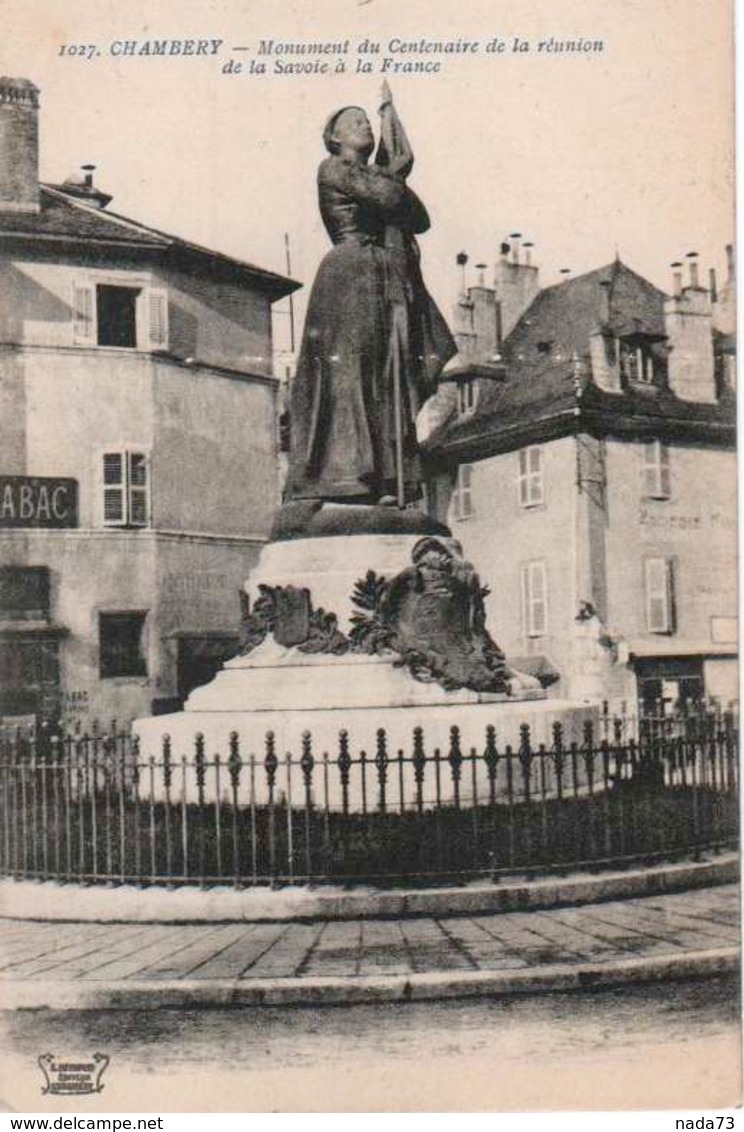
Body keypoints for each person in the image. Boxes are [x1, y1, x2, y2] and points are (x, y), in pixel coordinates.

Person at [286, 84, 456, 506]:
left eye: (367, 120)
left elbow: (419, 218)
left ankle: (389, 474)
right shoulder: (333, 168)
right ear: (336, 138)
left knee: (387, 373)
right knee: (353, 374)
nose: (366, 126)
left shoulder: (370, 173)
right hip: (349, 275)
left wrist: (392, 176)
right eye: (355, 122)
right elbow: (392, 197)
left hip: (382, 275)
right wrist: (393, 174)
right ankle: (349, 473)